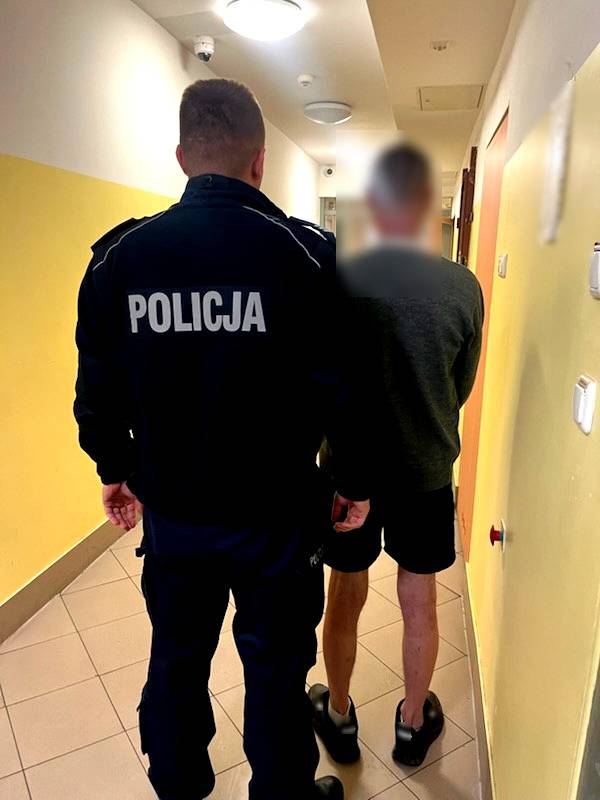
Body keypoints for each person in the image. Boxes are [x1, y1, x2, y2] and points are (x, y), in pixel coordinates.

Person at [74, 78, 370, 800]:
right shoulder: (310, 257)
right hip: (277, 520)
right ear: (261, 161)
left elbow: (97, 390)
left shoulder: (119, 259)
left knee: (177, 659)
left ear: (181, 157)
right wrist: (353, 484)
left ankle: (179, 785)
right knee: (275, 669)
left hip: (176, 516)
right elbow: (347, 391)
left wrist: (115, 467)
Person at [309, 143, 484, 768]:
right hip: (426, 472)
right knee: (419, 598)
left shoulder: (343, 281)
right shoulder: (463, 287)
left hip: (348, 470)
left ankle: (338, 715)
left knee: (345, 592)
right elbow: (461, 385)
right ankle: (412, 725)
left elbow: (324, 377)